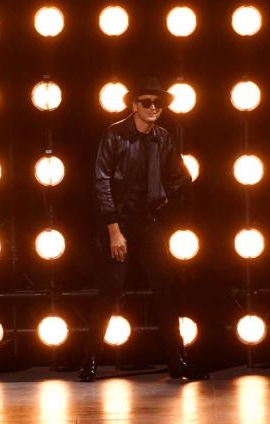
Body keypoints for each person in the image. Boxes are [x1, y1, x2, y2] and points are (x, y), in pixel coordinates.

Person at [81, 76, 208, 382]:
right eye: (146, 102)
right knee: (111, 292)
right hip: (119, 223)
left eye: (158, 103)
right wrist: (114, 230)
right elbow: (101, 181)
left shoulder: (163, 138)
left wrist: (165, 202)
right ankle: (89, 361)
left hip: (149, 223)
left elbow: (181, 176)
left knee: (166, 291)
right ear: (133, 105)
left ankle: (178, 361)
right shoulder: (115, 135)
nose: (153, 108)